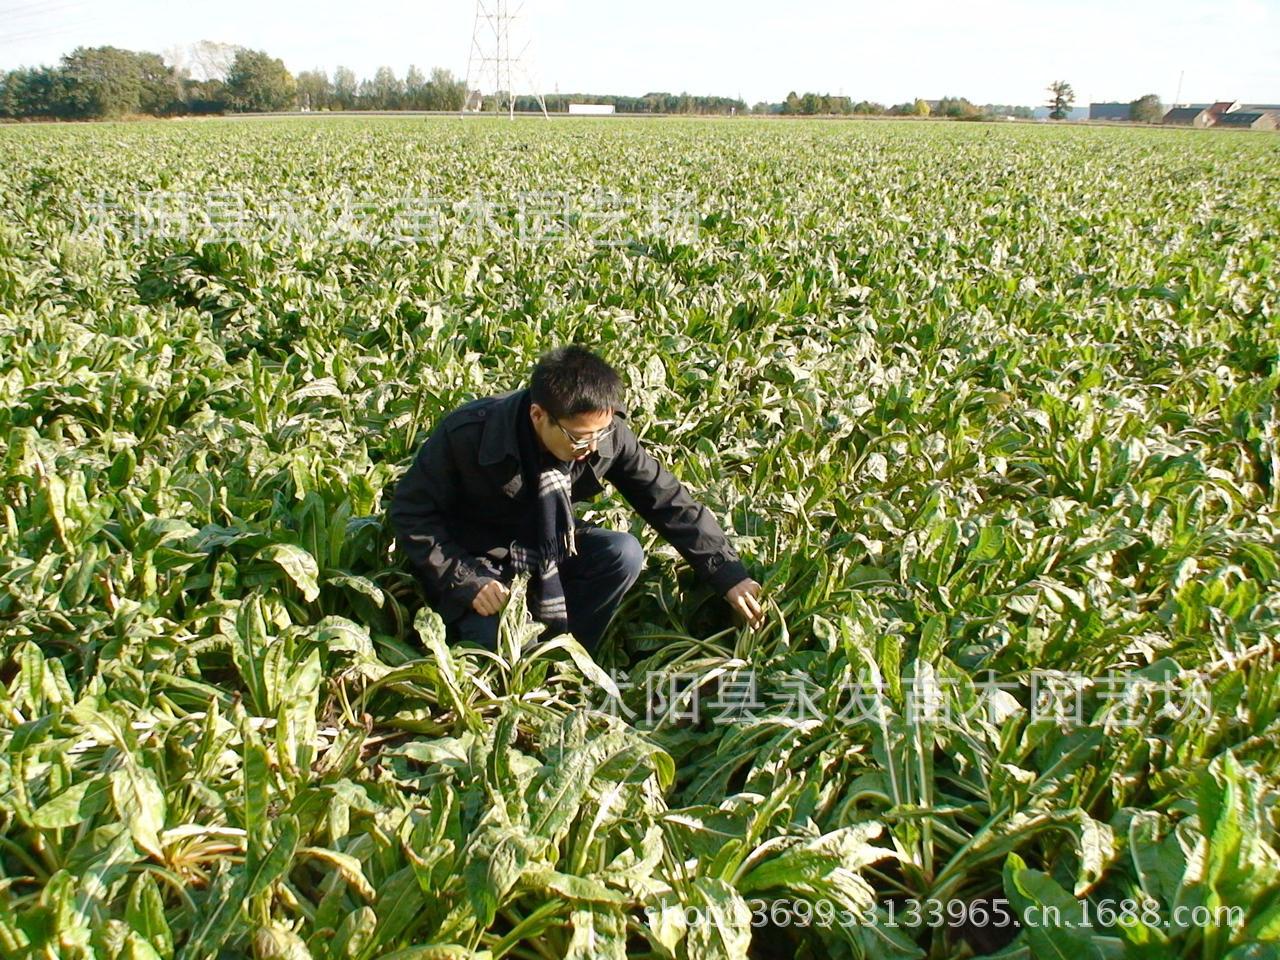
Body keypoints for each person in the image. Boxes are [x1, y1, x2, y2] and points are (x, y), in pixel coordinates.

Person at [389, 345, 764, 653]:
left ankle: (572, 650)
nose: (591, 447)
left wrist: (728, 574)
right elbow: (411, 513)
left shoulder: (605, 435)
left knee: (623, 553)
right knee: (500, 650)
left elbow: (665, 499)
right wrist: (466, 579)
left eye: (600, 433)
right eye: (579, 438)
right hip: (480, 558)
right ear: (538, 415)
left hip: (549, 545)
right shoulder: (468, 433)